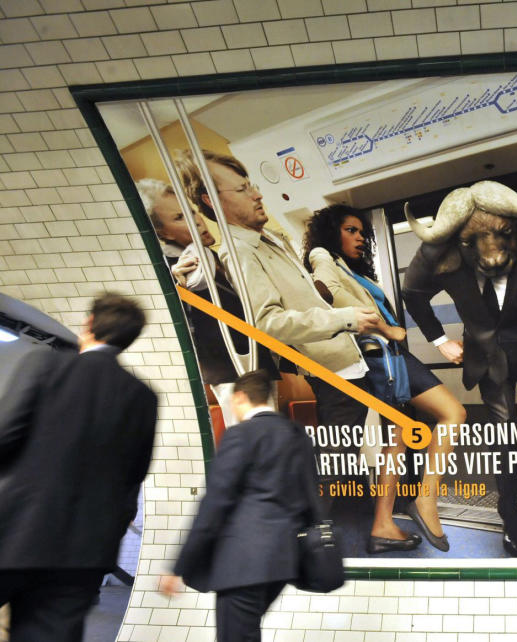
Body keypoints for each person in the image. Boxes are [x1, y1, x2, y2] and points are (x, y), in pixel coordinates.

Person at [402, 164, 517, 556]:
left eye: (501, 235)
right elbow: (412, 293)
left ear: (516, 228)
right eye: (475, 242)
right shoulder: (442, 250)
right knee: (502, 439)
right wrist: (440, 340)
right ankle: (511, 521)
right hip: (485, 356)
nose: (492, 253)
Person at [174, 150, 380, 434]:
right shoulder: (240, 252)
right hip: (330, 369)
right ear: (212, 200)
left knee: (345, 461)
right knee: (339, 466)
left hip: (348, 359)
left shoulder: (273, 240)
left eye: (252, 186)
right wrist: (347, 318)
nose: (257, 195)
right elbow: (268, 324)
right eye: (242, 189)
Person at [303, 205, 467, 553]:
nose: (360, 237)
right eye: (351, 230)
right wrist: (385, 328)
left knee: (401, 432)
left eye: (362, 232)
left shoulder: (355, 271)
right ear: (332, 232)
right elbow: (326, 293)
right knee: (454, 413)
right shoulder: (322, 256)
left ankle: (382, 526)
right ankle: (425, 500)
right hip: (381, 355)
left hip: (384, 359)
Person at [0, 293, 157, 642]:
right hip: (84, 553)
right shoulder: (143, 397)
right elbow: (135, 474)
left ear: (88, 325)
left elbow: (6, 437)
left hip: (18, 533)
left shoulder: (45, 366)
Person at [159, 369, 317, 642]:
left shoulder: (240, 435)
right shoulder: (296, 435)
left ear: (241, 396)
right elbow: (311, 497)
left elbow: (216, 503)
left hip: (244, 562)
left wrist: (180, 566)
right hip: (283, 562)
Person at [137, 178, 280, 427]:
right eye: (180, 217)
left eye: (192, 211)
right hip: (226, 367)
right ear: (162, 232)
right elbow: (164, 326)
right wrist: (174, 286)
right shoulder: (167, 273)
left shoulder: (219, 256)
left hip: (257, 359)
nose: (196, 220)